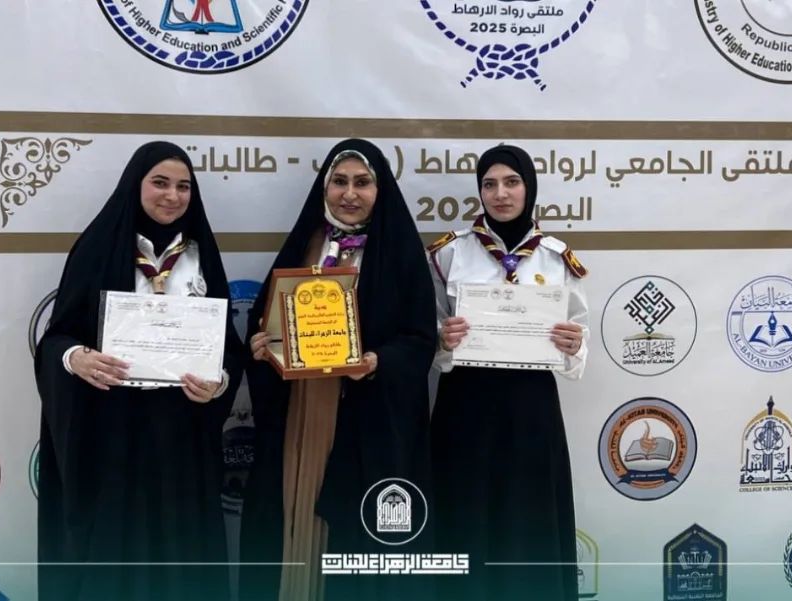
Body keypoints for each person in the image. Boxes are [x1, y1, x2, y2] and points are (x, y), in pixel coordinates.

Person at [34, 141, 244, 601]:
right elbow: (56, 338)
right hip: (113, 428)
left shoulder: (201, 255)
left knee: (182, 545)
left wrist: (219, 382)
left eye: (184, 187)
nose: (172, 196)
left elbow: (228, 347)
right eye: (160, 183)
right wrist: (76, 358)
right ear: (136, 185)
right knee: (114, 546)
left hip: (182, 430)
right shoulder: (98, 248)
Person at [240, 139, 436, 601]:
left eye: (362, 183)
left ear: (379, 190)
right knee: (295, 510)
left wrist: (378, 362)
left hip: (368, 419)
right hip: (303, 415)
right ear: (324, 188)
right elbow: (266, 321)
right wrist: (261, 345)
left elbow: (419, 339)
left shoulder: (399, 252)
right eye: (340, 182)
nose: (350, 194)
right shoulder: (305, 246)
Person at [428, 144, 589, 601]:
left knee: (529, 519)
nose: (500, 194)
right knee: (466, 516)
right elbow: (428, 330)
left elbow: (580, 336)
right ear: (479, 191)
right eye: (489, 184)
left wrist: (573, 346)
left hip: (530, 408)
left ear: (529, 188)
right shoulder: (449, 254)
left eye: (512, 182)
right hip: (465, 406)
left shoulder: (557, 258)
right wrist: (443, 339)